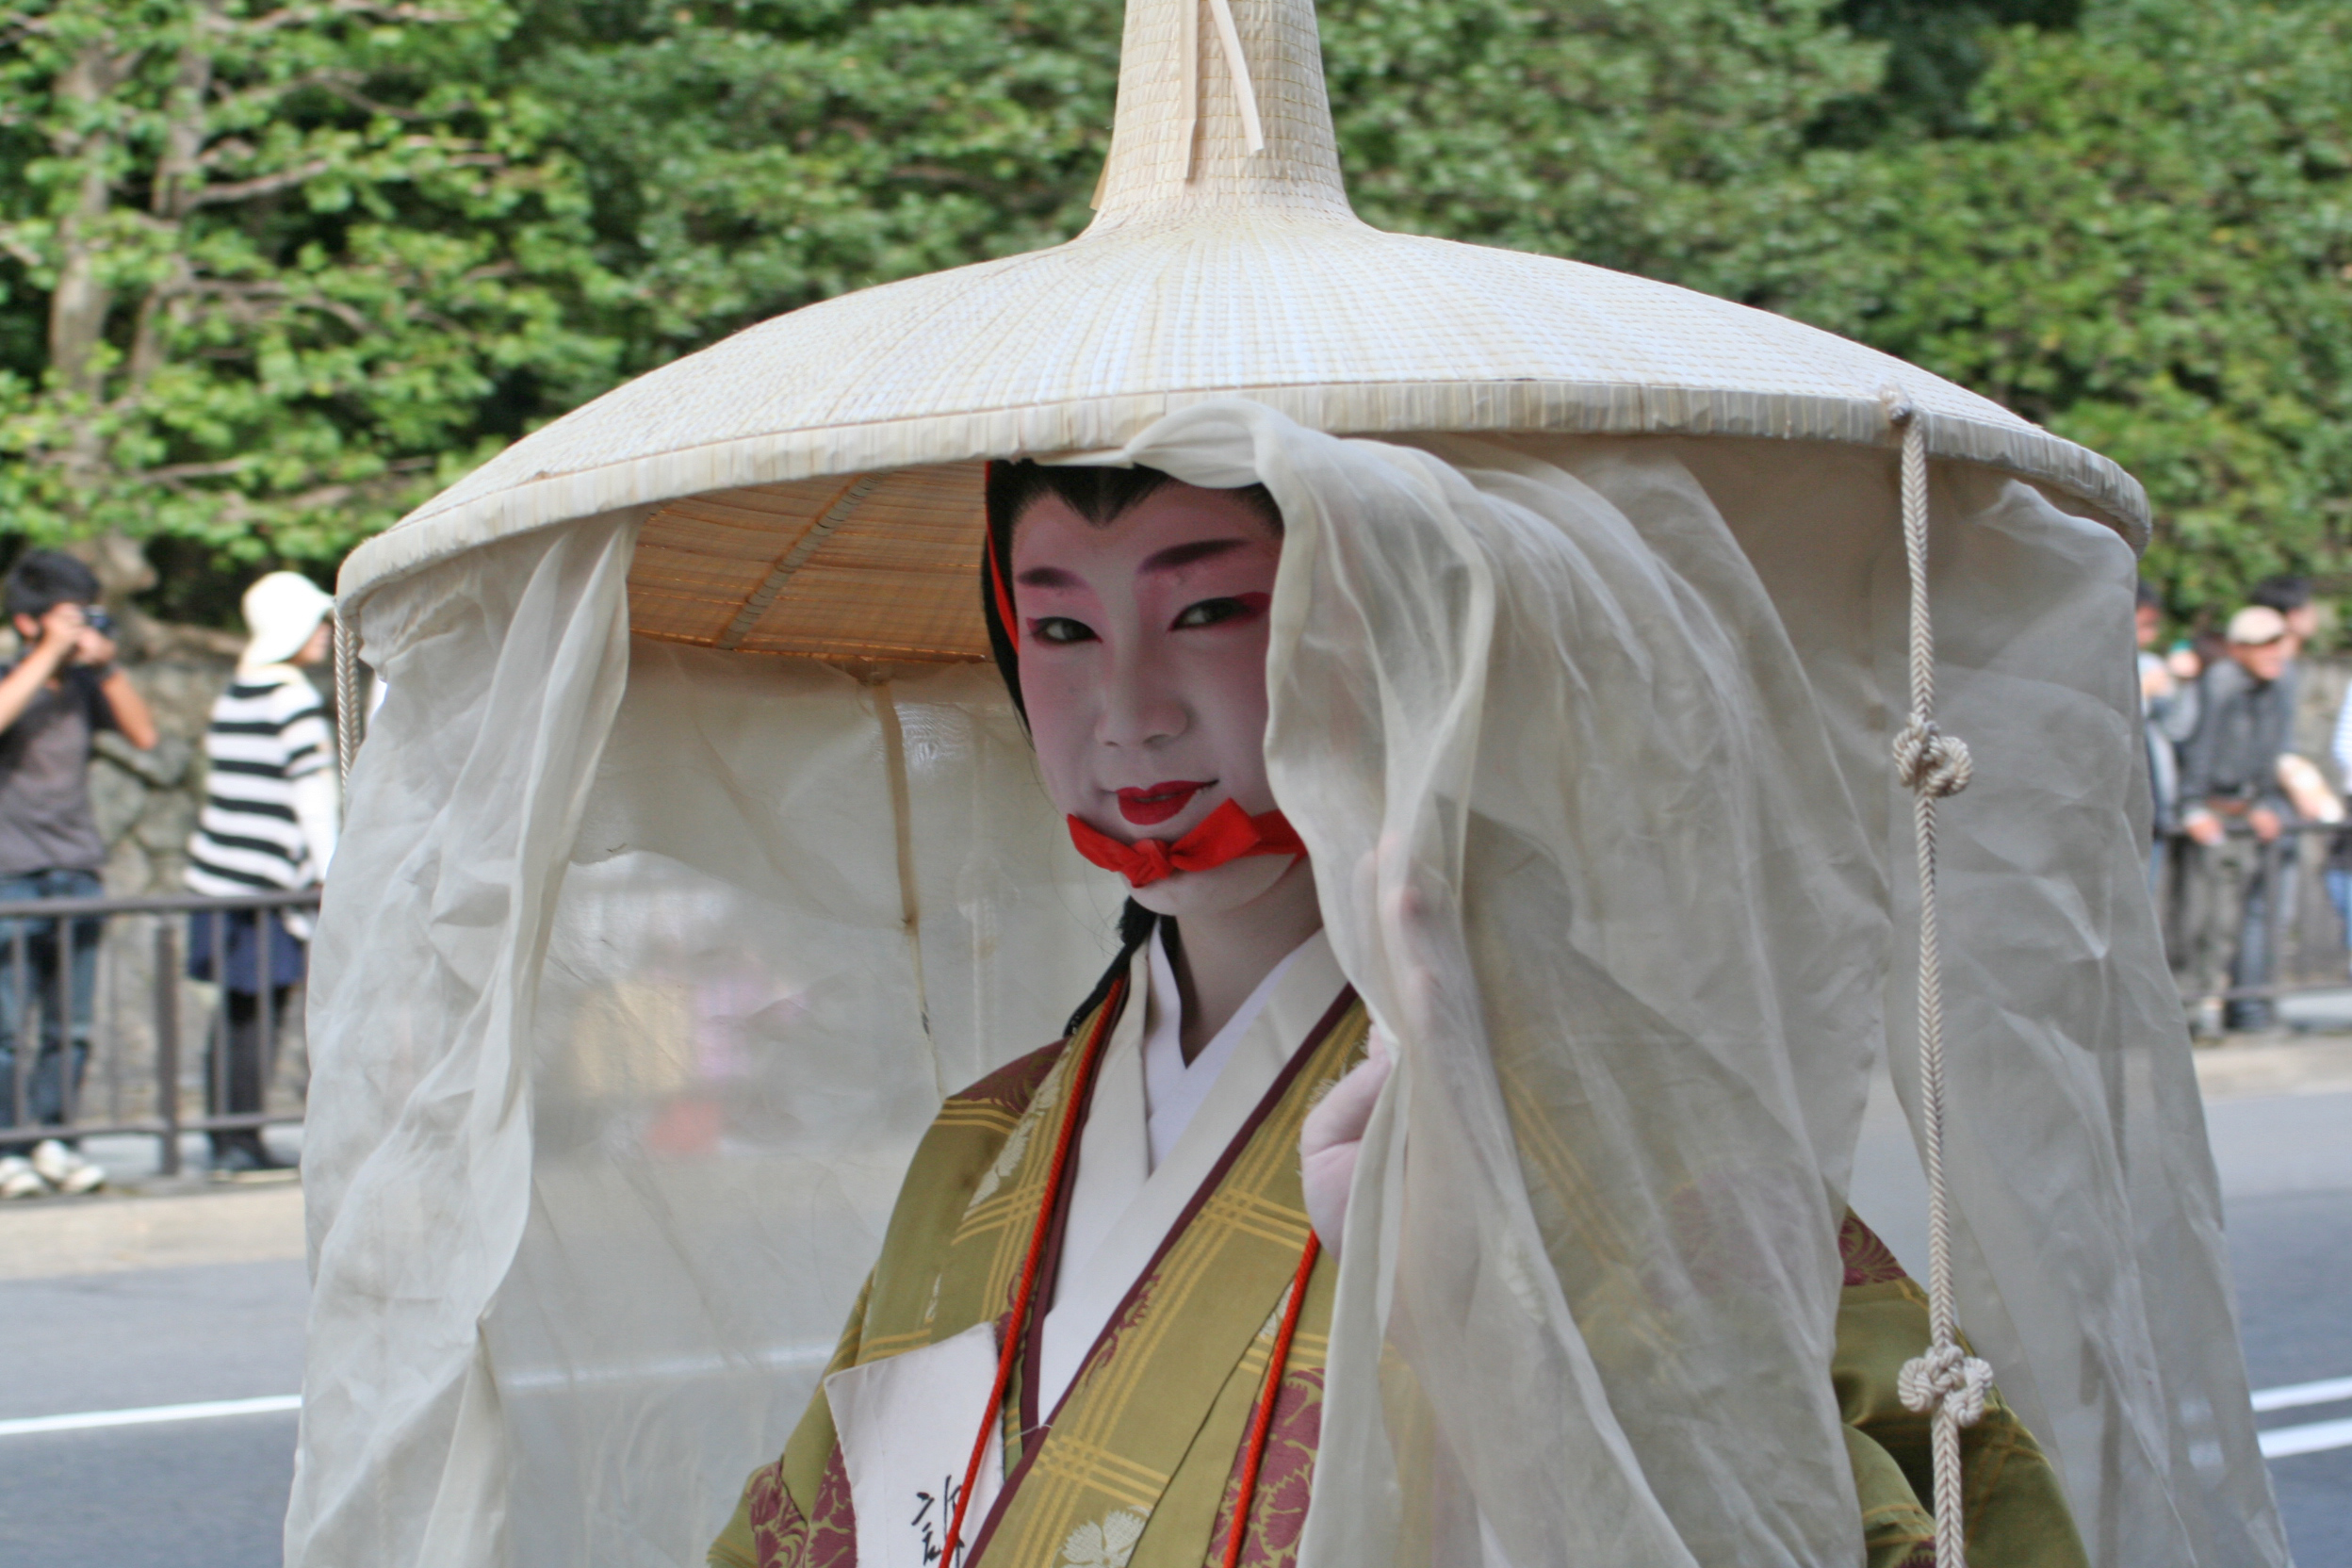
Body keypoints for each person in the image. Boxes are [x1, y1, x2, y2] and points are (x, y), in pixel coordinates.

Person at [705, 462, 2084, 1568]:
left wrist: (1499, 1348)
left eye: (1209, 613)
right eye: (1062, 627)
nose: (1124, 711)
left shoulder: (1597, 1105)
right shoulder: (987, 1144)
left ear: (1380, 639)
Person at [0, 550, 157, 1198]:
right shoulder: (17, 675)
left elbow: (145, 737)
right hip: (11, 875)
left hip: (77, 870)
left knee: (74, 1025)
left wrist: (104, 660)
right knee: (7, 1028)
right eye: (68, 614)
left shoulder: (85, 685)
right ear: (29, 621)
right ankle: (8, 1145)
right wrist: (48, 653)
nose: (81, 625)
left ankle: (57, 1140)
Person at [184, 572, 338, 1173]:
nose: (325, 634)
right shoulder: (290, 696)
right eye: (315, 623)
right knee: (260, 1013)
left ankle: (229, 1133)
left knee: (235, 1012)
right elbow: (313, 796)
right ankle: (239, 1136)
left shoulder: (238, 690)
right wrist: (331, 872)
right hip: (267, 883)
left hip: (220, 874)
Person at [2178, 606, 2295, 1033]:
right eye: (2263, 644)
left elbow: (2270, 754)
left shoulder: (2277, 688)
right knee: (2201, 921)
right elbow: (2200, 747)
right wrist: (2192, 806)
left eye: (2277, 642)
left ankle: (2224, 1007)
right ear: (2239, 648)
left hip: (2247, 816)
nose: (2273, 652)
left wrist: (2263, 802)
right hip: (2210, 814)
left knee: (2235, 921)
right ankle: (2190, 1011)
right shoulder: (2221, 683)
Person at [2138, 582, 2197, 896]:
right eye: (2145, 625)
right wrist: (2143, 692)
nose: (2152, 635)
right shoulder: (2091, 662)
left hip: (2155, 808)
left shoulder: (2151, 665)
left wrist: (2184, 685)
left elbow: (2178, 729)